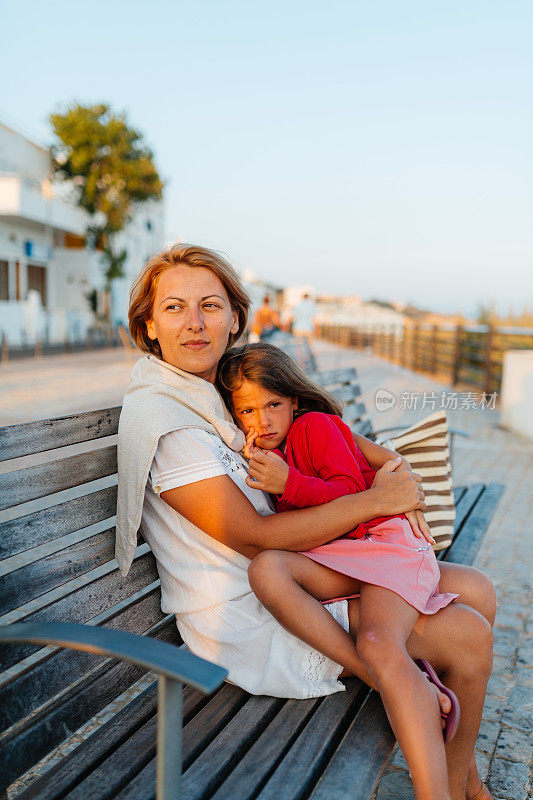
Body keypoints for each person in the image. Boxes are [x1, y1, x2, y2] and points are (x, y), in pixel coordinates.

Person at [117, 243, 495, 800]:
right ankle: (391, 688)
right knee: (468, 636)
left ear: (234, 318)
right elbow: (254, 539)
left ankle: (466, 786)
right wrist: (376, 501)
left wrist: (397, 473)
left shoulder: (219, 392)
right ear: (149, 325)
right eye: (174, 308)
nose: (194, 324)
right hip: (246, 612)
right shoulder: (165, 419)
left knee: (479, 590)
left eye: (210, 306)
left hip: (298, 568)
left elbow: (330, 432)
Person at [217, 341, 463, 791]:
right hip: (348, 551)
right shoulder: (271, 450)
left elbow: (352, 492)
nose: (262, 420)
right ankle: (412, 681)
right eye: (247, 411)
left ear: (293, 399)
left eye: (272, 405)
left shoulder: (313, 427)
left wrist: (289, 483)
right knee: (269, 572)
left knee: (377, 642)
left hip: (381, 542)